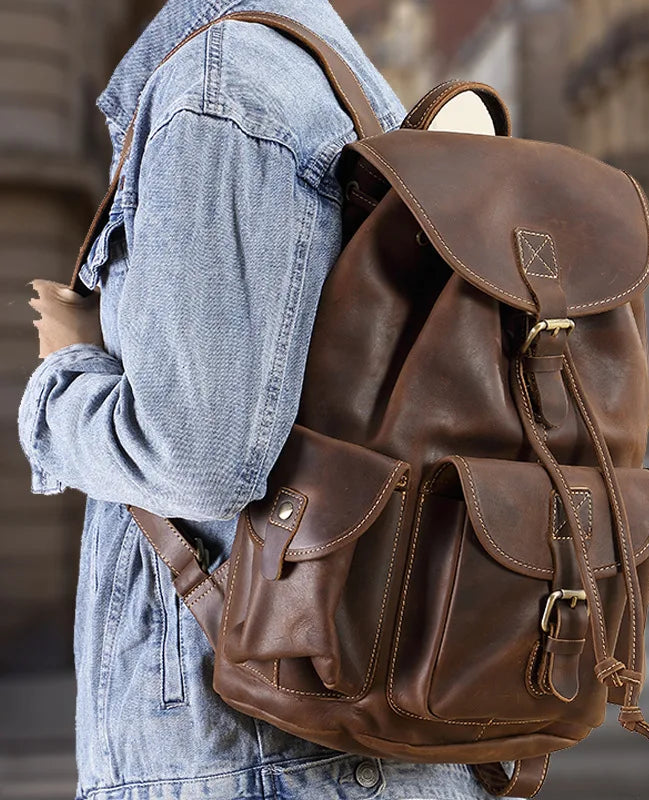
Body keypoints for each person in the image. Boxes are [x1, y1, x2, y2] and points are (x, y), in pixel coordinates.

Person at [18, 1, 502, 799]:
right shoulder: (346, 88)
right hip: (340, 734)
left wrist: (65, 373)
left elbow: (200, 457)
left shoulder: (220, 86)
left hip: (252, 750)